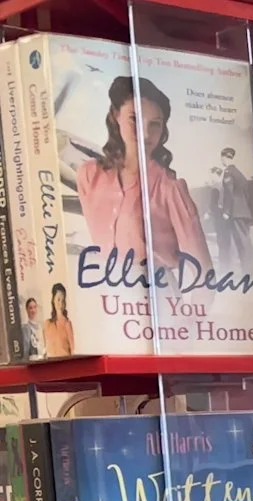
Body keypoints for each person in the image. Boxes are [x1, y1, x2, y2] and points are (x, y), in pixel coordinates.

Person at [76, 75, 213, 284]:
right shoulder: (88, 176)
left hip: (159, 298)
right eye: (135, 119)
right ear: (116, 115)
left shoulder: (170, 188)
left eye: (155, 125)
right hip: (104, 294)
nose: (145, 134)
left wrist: (187, 316)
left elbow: (203, 272)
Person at [44, 284, 74, 356]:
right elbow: (45, 348)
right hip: (50, 364)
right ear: (53, 300)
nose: (60, 303)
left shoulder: (67, 324)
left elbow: (73, 350)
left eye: (63, 300)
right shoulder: (47, 324)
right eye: (58, 299)